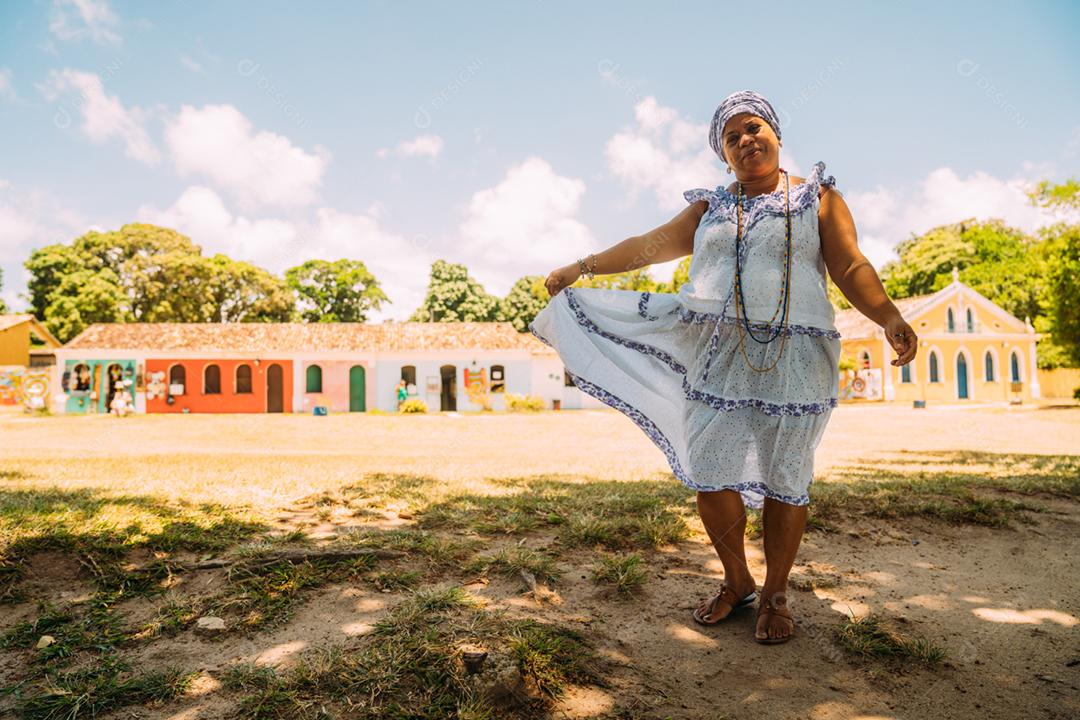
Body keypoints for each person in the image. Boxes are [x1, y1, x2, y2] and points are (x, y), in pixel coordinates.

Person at [529, 90, 916, 644]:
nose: (745, 141)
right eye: (731, 138)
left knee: (786, 476)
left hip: (795, 358)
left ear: (776, 133)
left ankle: (776, 592)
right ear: (723, 154)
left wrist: (889, 315)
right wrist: (581, 267)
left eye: (753, 128)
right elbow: (648, 245)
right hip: (717, 357)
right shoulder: (709, 208)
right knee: (711, 472)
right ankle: (737, 580)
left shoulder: (817, 198)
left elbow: (850, 264)